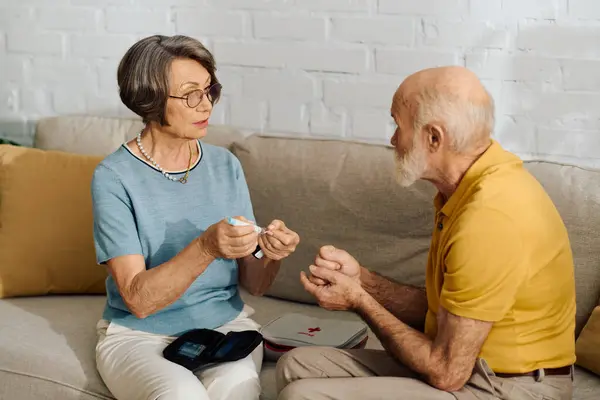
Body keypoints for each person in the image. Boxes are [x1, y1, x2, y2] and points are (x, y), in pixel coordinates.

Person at [276, 66, 576, 400]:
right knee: (295, 365)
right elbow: (444, 311)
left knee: (303, 395)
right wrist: (363, 281)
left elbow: (446, 372)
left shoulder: (490, 216)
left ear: (434, 137)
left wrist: (359, 301)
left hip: (509, 387)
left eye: (397, 125)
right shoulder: (465, 187)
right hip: (470, 367)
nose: (392, 140)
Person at [91, 35, 300, 400]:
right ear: (150, 99)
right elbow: (139, 301)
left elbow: (256, 283)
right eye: (190, 94)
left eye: (209, 90)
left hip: (225, 328)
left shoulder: (224, 165)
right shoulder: (114, 177)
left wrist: (269, 253)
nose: (206, 105)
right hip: (138, 335)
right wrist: (205, 247)